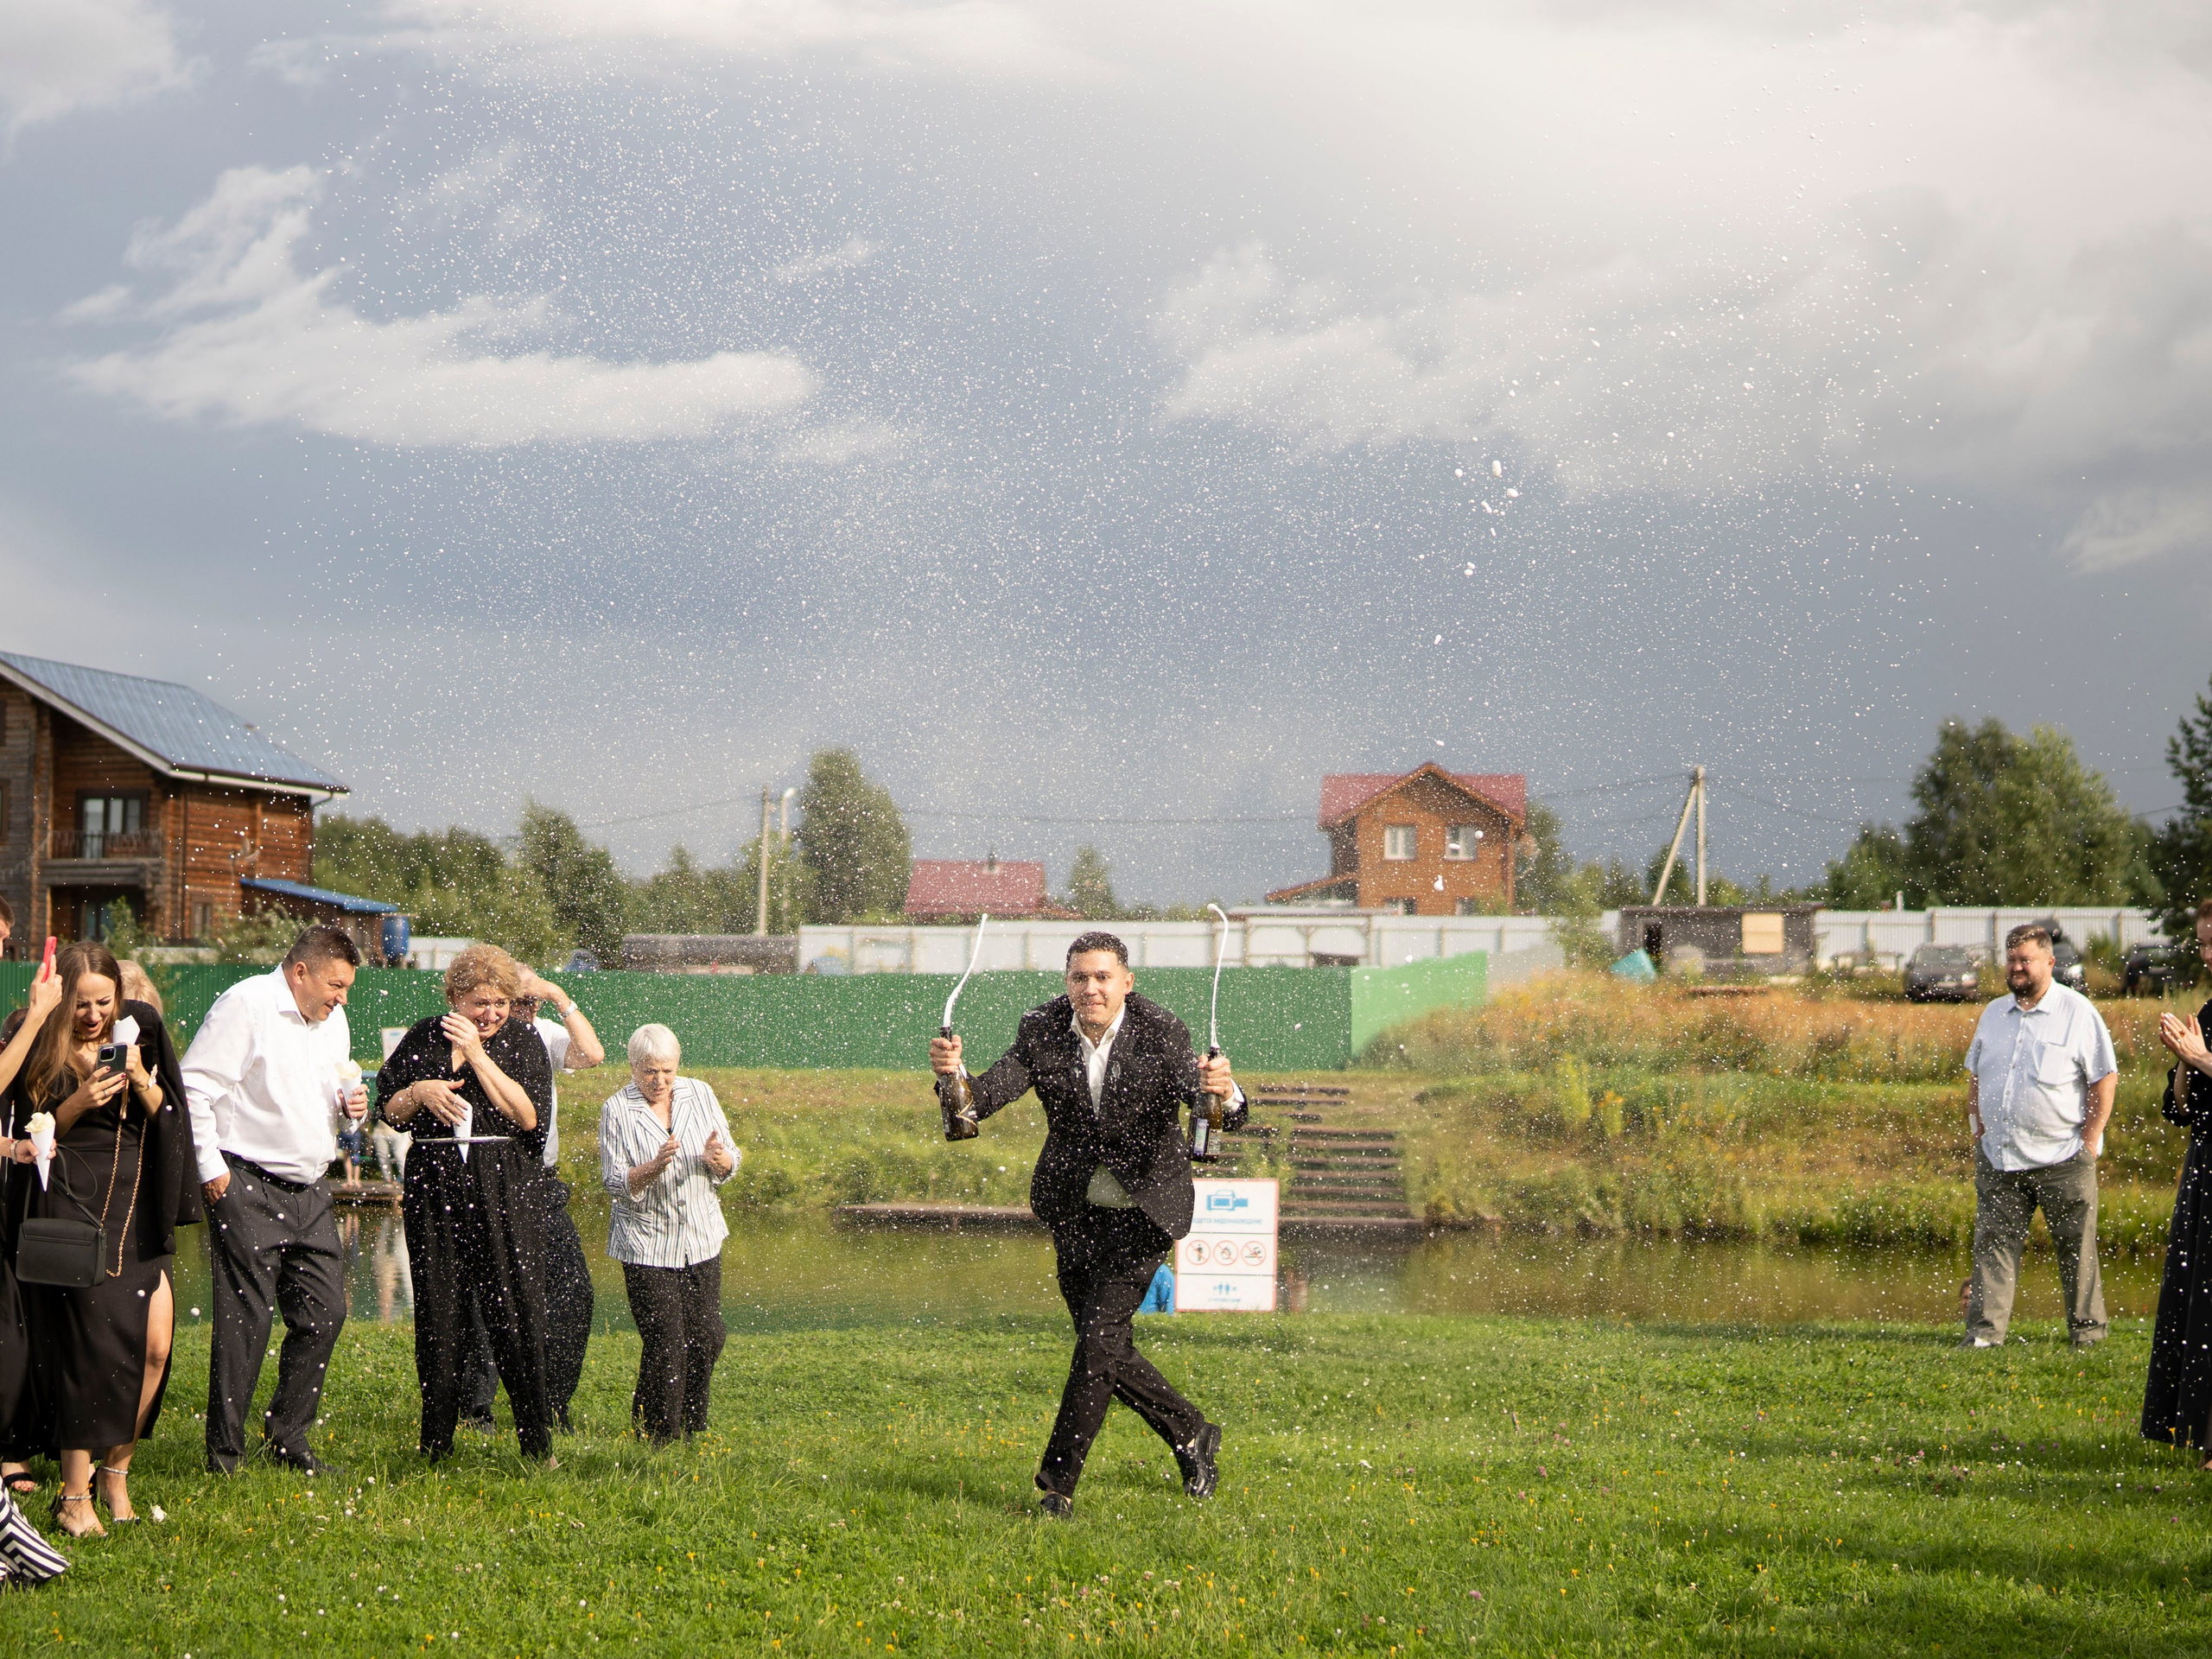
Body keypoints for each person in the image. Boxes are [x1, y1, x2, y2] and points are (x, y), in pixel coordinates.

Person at [930, 931, 1243, 1517]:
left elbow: (1205, 1102)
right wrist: (954, 1077)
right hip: (1074, 1208)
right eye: (1080, 977)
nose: (1091, 988)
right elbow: (984, 1098)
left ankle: (1058, 1486)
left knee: (1098, 1345)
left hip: (1145, 1208)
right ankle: (1191, 1431)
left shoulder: (1162, 1030)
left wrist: (1224, 1092)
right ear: (1066, 982)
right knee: (1104, 1348)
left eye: (1103, 977)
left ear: (1128, 981)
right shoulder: (1040, 1027)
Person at [2, 943, 198, 1537]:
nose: (92, 1016)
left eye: (103, 1003)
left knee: (152, 1346)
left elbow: (173, 1118)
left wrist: (140, 1080)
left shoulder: (143, 1031)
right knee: (90, 1347)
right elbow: (29, 1129)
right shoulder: (41, 1041)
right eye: (81, 1004)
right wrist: (75, 1104)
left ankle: (117, 1470)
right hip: (69, 1197)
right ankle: (73, 1494)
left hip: (133, 1205)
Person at [182, 924, 366, 1478]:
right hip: (248, 1183)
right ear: (300, 971)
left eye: (348, 989)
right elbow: (195, 1086)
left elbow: (323, 1096)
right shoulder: (246, 1005)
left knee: (326, 1312)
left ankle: (288, 1439)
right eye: (336, 985)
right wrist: (212, 1171)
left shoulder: (332, 1022)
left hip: (312, 1190)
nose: (341, 998)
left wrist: (349, 1105)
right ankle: (226, 1456)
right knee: (246, 1323)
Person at [377, 944, 556, 1464]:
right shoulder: (423, 1035)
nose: (493, 1014)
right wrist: (421, 1090)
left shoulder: (522, 1039)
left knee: (514, 1308)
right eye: (482, 1003)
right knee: (439, 1313)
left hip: (503, 1185)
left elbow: (527, 1117)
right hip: (435, 1184)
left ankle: (536, 1443)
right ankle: (436, 1444)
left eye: (501, 1003)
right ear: (454, 997)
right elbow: (390, 1108)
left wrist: (477, 1055)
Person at [458, 969, 602, 1434]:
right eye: (512, 1002)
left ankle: (552, 1402)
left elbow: (593, 1055)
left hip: (542, 1181)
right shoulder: (476, 1034)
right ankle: (475, 1408)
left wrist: (558, 995)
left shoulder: (543, 1032)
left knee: (573, 1290)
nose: (522, 1011)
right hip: (488, 1177)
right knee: (487, 1294)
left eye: (529, 1002)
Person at [1962, 922, 2119, 1351]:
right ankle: (1984, 1336)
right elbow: (1976, 1077)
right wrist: (1978, 1132)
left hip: (2064, 1157)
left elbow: (2104, 1079)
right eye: (2011, 960)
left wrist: (2090, 1139)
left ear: (2050, 962)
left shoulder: (2079, 1011)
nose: (2016, 968)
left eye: (2025, 960)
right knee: (1993, 1247)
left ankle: (2088, 1334)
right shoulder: (1993, 1013)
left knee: (2077, 1249)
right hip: (1999, 1157)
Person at [598, 1025, 736, 1446]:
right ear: (633, 1067)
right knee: (667, 1340)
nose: (659, 1081)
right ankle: (658, 1435)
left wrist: (721, 1160)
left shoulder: (701, 1093)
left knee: (708, 1334)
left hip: (700, 1235)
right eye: (649, 1071)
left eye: (668, 1072)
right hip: (645, 1242)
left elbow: (731, 1158)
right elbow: (614, 1181)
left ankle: (691, 1419)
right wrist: (652, 1168)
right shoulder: (617, 1108)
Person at [2144, 899, 2212, 1459]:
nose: (2207, 954)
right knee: (2197, 1300)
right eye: (2204, 943)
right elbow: (2183, 1109)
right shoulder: (2211, 1011)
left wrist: (2203, 1057)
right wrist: (2185, 1063)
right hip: (2205, 1169)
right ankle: (2199, 1434)